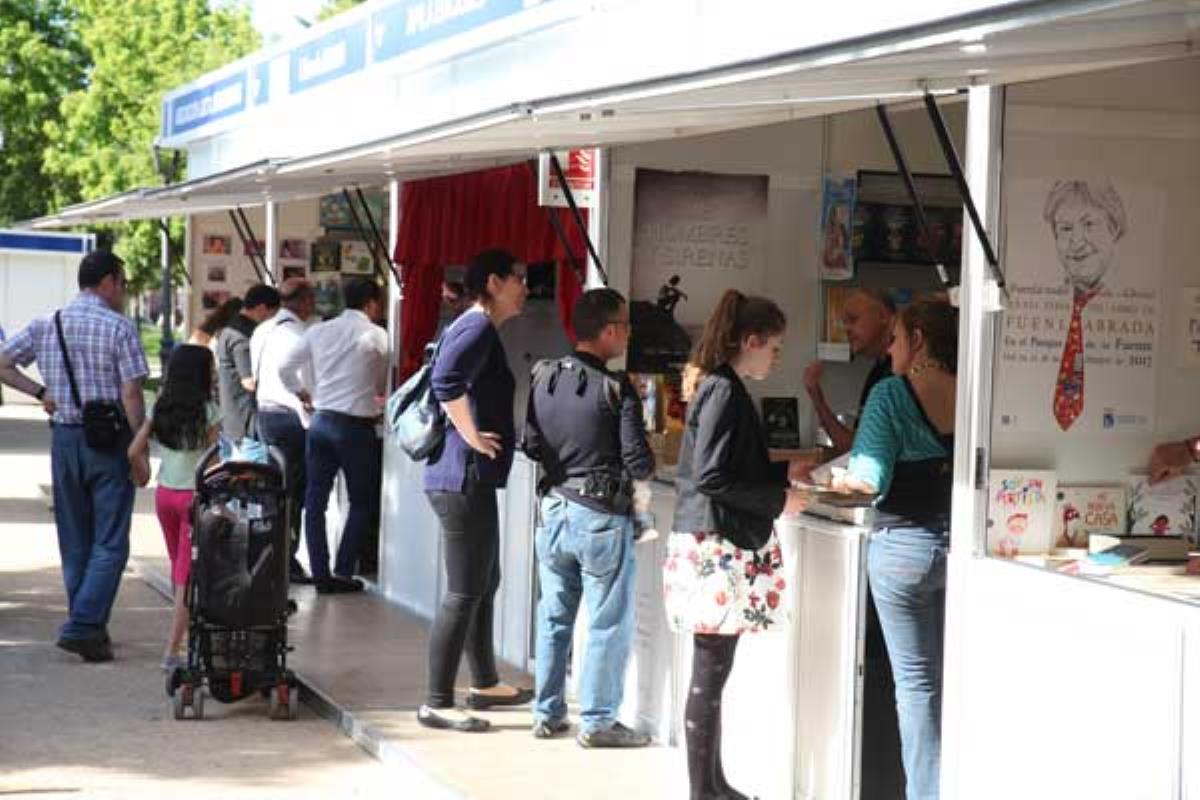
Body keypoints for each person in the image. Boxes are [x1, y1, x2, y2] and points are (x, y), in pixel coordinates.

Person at [664, 289, 810, 800]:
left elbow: (720, 469)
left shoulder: (718, 385)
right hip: (716, 545)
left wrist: (780, 474)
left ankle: (714, 784)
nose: (776, 356)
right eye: (774, 347)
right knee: (710, 671)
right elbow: (712, 476)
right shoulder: (724, 390)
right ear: (750, 340)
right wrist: (778, 499)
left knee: (713, 670)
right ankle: (703, 791)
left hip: (710, 540)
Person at [825, 297, 958, 800]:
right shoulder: (975, 390)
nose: (892, 348)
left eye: (897, 338)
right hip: (962, 553)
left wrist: (839, 477)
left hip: (903, 551)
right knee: (960, 674)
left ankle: (926, 792)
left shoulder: (890, 395)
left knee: (917, 686)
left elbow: (870, 481)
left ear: (919, 340)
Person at [0, 251, 148, 663]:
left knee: (75, 537)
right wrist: (140, 444)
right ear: (108, 281)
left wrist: (41, 393)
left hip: (64, 439)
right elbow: (131, 393)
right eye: (122, 283)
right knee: (111, 540)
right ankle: (83, 624)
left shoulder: (46, 324)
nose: (122, 291)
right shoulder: (119, 327)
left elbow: (3, 363)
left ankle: (90, 629)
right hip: (110, 441)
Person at [522, 288, 655, 746]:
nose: (629, 333)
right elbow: (640, 464)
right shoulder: (617, 388)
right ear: (611, 330)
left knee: (554, 616)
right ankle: (598, 722)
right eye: (626, 325)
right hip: (600, 516)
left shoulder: (541, 375)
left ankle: (547, 712)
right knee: (605, 621)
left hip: (553, 509)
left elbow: (531, 445)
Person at [417, 249, 532, 732]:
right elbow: (446, 382)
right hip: (459, 477)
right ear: (494, 282)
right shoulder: (477, 326)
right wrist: (471, 435)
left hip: (470, 478)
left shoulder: (477, 327)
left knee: (485, 583)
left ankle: (484, 681)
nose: (525, 287)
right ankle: (436, 701)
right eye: (518, 278)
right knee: (464, 591)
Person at [280, 277, 387, 594]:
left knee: (314, 501)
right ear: (371, 303)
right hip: (356, 427)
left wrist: (303, 393)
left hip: (321, 422)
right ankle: (343, 570)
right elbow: (382, 383)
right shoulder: (376, 335)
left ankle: (321, 573)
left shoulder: (317, 330)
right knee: (361, 501)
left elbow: (285, 368)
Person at [127, 345, 221, 670]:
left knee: (179, 569)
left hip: (164, 497)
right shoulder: (209, 411)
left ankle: (186, 632)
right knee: (185, 576)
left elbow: (133, 450)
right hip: (194, 500)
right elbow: (214, 464)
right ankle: (172, 650)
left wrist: (144, 475)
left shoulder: (161, 407)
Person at [1043, 179, 1127, 431]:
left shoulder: (1128, 300)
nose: (1076, 242)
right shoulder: (1045, 299)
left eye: (1089, 224)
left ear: (1115, 229)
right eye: (1065, 229)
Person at [251, 278, 316, 585]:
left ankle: (268, 553)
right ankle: (285, 559)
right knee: (293, 494)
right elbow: (305, 383)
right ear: (303, 301)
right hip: (290, 420)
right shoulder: (298, 334)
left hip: (264, 414)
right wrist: (308, 403)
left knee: (272, 489)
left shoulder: (263, 329)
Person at [803, 288, 896, 453]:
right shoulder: (878, 371)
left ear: (883, 315)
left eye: (853, 319)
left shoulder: (899, 374)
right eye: (845, 322)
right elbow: (856, 447)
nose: (846, 329)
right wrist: (815, 394)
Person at [215, 285, 279, 441]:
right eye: (274, 313)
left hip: (232, 417)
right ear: (262, 308)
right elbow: (249, 382)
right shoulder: (243, 335)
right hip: (245, 420)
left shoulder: (232, 327)